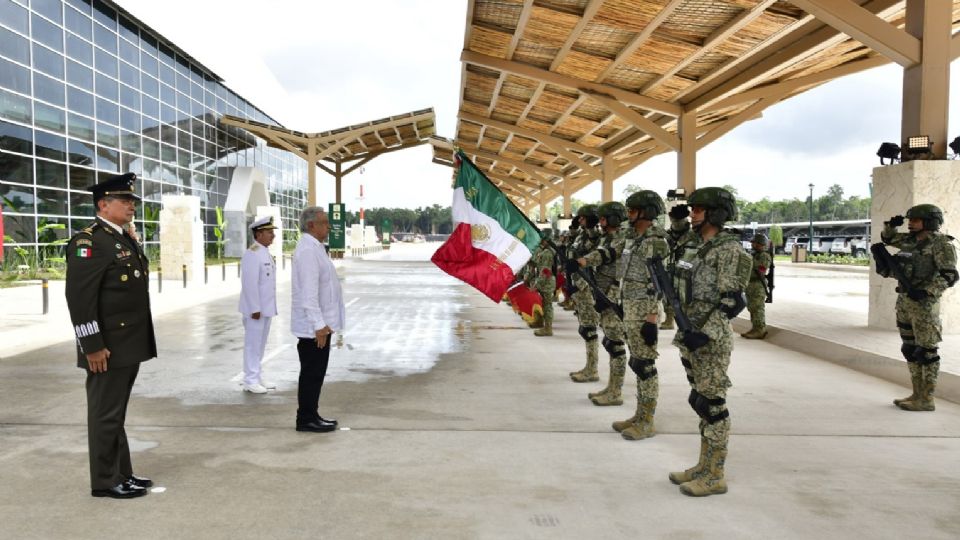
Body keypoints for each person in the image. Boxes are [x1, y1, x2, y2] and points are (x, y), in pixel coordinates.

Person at [65, 172, 156, 499]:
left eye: (132, 200)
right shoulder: (90, 242)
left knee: (114, 414)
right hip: (106, 347)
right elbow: (80, 300)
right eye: (125, 200)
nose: (132, 205)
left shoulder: (120, 237)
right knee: (105, 414)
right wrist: (92, 346)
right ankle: (105, 481)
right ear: (103, 205)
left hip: (126, 345)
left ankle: (122, 473)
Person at [668, 187, 750, 497]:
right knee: (700, 401)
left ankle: (715, 474)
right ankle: (702, 465)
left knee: (713, 405)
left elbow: (732, 302)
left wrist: (704, 331)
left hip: (709, 339)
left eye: (700, 209)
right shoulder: (693, 247)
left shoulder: (729, 250)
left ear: (715, 213)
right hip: (689, 333)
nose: (693, 213)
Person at [880, 205, 957, 411]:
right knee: (910, 349)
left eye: (915, 220)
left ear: (929, 221)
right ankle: (916, 393)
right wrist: (890, 226)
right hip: (905, 302)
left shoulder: (941, 244)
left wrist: (927, 292)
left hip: (925, 306)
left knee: (927, 352)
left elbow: (949, 275)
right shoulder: (910, 241)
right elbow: (888, 239)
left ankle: (927, 398)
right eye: (909, 220)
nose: (910, 223)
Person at [614, 191, 670, 440]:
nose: (628, 215)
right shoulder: (633, 239)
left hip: (644, 311)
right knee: (637, 363)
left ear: (645, 212)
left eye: (632, 210)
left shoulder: (656, 241)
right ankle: (639, 414)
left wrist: (651, 317)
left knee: (645, 365)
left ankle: (647, 421)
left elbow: (659, 282)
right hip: (629, 307)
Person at [291, 206, 345, 433]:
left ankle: (312, 414)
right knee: (312, 374)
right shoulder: (307, 252)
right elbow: (309, 294)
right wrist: (319, 326)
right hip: (314, 329)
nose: (328, 226)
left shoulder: (315, 248)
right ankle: (305, 419)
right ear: (311, 225)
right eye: (324, 222)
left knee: (316, 374)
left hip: (321, 326)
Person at [578, 202, 629, 406]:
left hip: (614, 297)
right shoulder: (606, 237)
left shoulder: (624, 238)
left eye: (604, 218)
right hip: (603, 294)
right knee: (610, 341)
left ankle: (616, 392)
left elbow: (609, 258)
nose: (600, 222)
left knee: (615, 344)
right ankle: (612, 387)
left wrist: (584, 261)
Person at [238, 216, 279, 393]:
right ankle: (250, 380)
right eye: (269, 233)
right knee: (252, 345)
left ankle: (257, 375)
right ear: (259, 234)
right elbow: (249, 284)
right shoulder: (252, 253)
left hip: (266, 308)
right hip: (256, 310)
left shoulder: (264, 251)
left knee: (260, 345)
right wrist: (255, 308)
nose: (273, 236)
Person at [568, 205, 602, 382]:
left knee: (589, 329)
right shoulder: (581, 235)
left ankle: (592, 369)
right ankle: (589, 366)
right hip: (579, 286)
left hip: (588, 288)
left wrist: (579, 285)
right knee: (585, 328)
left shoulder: (598, 236)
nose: (579, 220)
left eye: (583, 217)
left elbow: (593, 263)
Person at [524, 232, 557, 336]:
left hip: (546, 283)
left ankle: (548, 328)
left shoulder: (547, 253)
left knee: (547, 306)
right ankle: (540, 322)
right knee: (540, 303)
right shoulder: (542, 251)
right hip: (542, 282)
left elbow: (545, 272)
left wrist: (536, 285)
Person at [741, 233, 771, 339]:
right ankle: (755, 328)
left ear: (761, 244)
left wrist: (748, 258)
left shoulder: (764, 256)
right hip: (750, 284)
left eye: (755, 243)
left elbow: (761, 269)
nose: (753, 245)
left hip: (758, 285)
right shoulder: (754, 255)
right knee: (752, 307)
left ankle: (760, 329)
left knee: (757, 308)